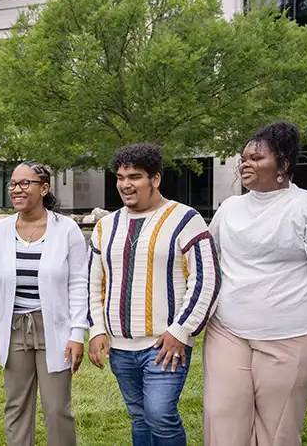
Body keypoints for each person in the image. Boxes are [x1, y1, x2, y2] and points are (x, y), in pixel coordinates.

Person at [204, 121, 307, 446]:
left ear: (282, 165)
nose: (245, 165)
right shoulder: (229, 209)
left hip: (289, 338)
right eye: (244, 158)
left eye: (256, 158)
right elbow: (207, 262)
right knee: (222, 421)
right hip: (228, 332)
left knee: (276, 432)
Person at [86, 143, 220, 446]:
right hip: (120, 348)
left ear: (155, 179)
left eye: (134, 176)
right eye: (120, 177)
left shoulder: (185, 219)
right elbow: (93, 283)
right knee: (139, 415)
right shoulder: (105, 227)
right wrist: (95, 330)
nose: (125, 184)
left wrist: (181, 331)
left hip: (165, 344)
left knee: (160, 414)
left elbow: (206, 279)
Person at [0, 161, 88, 446]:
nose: (16, 189)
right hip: (14, 328)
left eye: (24, 183)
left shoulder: (66, 230)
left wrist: (77, 334)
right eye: (13, 184)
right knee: (16, 407)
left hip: (54, 328)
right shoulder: (0, 232)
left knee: (57, 409)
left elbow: (79, 283)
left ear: (44, 188)